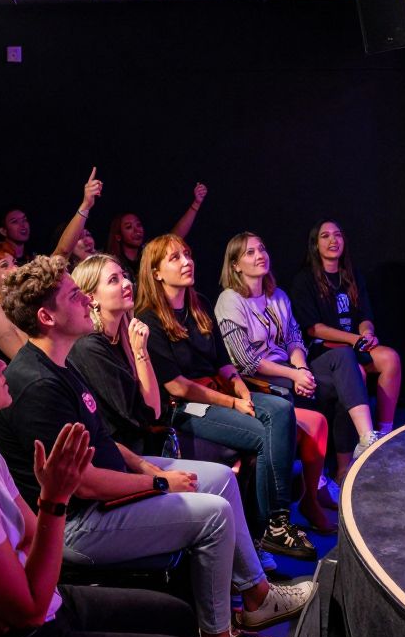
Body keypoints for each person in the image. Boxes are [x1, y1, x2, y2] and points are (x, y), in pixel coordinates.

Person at [0, 256, 311, 637]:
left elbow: (106, 442)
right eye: (75, 296)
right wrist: (160, 483)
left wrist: (146, 468)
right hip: (77, 526)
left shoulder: (59, 363)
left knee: (223, 478)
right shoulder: (39, 385)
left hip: (110, 488)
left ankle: (256, 600)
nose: (87, 302)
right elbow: (85, 485)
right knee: (214, 514)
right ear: (47, 317)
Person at [0, 311, 201, 637]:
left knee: (177, 614)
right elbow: (29, 608)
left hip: (38, 609)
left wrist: (19, 584)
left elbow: (33, 537)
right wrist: (54, 500)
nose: (1, 365)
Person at [133, 234, 317, 560]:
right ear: (157, 272)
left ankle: (274, 524)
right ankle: (265, 531)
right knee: (264, 434)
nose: (187, 261)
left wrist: (242, 389)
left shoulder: (199, 305)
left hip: (219, 389)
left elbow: (223, 361)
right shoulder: (149, 317)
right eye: (175, 258)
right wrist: (233, 403)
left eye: (187, 254)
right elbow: (176, 386)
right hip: (187, 407)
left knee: (280, 410)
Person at [214, 233, 337, 534]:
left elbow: (295, 337)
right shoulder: (230, 300)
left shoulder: (277, 295)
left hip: (285, 368)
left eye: (262, 249)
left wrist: (301, 368)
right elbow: (243, 360)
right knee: (297, 395)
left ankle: (314, 491)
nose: (260, 256)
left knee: (327, 394)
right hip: (254, 379)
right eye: (250, 252)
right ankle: (304, 493)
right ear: (236, 265)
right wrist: (294, 377)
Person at [291, 219, 403, 437]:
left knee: (391, 358)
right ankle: (360, 440)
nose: (333, 240)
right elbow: (314, 329)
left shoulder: (352, 276)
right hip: (325, 350)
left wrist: (367, 333)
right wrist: (353, 339)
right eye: (325, 236)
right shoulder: (304, 280)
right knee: (357, 373)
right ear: (315, 245)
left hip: (355, 345)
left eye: (338, 235)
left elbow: (364, 316)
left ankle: (385, 432)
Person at [67, 253, 163, 455]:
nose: (127, 283)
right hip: (120, 459)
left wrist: (139, 351)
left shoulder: (124, 338)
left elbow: (154, 410)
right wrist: (140, 353)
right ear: (91, 298)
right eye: (114, 280)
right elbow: (148, 413)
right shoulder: (89, 347)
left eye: (124, 275)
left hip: (139, 450)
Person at [106, 182, 207, 281]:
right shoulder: (111, 263)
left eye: (138, 225)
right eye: (129, 227)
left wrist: (196, 204)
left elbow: (175, 236)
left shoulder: (148, 253)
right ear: (118, 236)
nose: (137, 230)